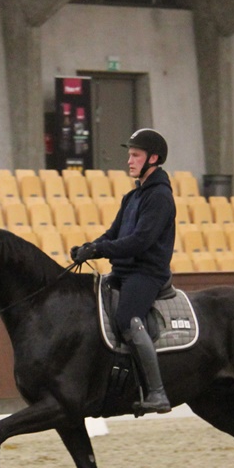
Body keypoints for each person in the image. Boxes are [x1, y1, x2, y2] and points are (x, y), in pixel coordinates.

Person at [70, 129, 175, 414]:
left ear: (153, 158)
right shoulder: (132, 197)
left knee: (127, 318)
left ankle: (157, 392)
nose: (129, 161)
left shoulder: (160, 197)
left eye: (135, 155)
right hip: (124, 270)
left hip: (146, 273)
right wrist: (89, 247)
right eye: (129, 155)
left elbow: (140, 241)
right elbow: (112, 234)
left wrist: (100, 250)